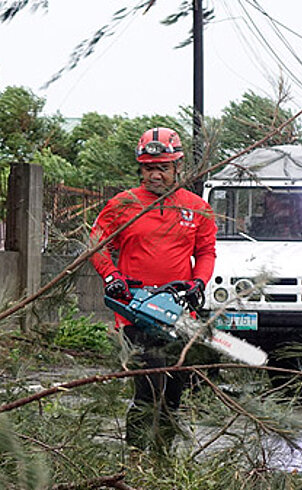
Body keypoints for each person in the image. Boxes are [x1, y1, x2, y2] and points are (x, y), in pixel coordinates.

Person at [90, 127, 217, 454]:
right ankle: (136, 458)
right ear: (140, 168)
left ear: (178, 167)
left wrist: (198, 283)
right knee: (147, 390)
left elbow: (205, 252)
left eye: (162, 167)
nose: (155, 174)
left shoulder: (197, 208)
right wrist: (111, 276)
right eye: (149, 168)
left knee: (174, 392)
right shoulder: (123, 204)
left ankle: (163, 457)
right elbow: (98, 244)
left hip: (178, 308)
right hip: (135, 309)